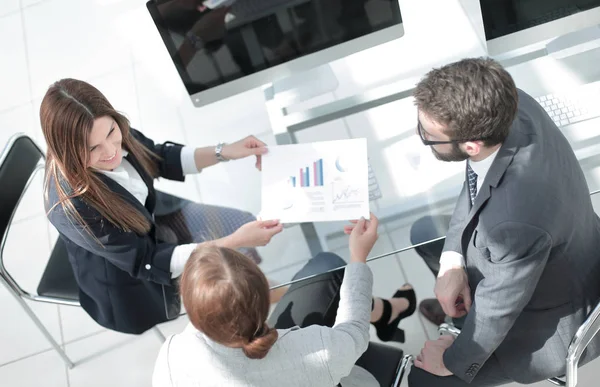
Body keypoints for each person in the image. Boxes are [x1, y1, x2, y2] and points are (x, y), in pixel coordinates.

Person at [407, 57, 600, 386]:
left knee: (425, 380)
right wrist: (451, 263)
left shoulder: (512, 224)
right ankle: (461, 314)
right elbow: (477, 179)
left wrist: (453, 360)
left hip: (546, 323)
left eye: (428, 135)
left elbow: (498, 309)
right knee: (426, 233)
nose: (422, 135)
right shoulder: (508, 102)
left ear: (471, 144)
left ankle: (462, 330)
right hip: (554, 255)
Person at [41, 78, 283, 335]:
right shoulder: (74, 208)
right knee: (225, 282)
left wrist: (226, 151)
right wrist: (232, 241)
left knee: (240, 227)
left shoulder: (110, 130)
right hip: (132, 276)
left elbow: (159, 158)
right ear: (68, 151)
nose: (112, 150)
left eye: (112, 133)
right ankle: (261, 297)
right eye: (93, 148)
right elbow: (148, 260)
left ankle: (263, 291)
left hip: (154, 220)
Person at [152, 214, 417, 387]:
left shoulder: (172, 356)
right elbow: (353, 335)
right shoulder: (313, 352)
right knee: (329, 267)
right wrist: (358, 258)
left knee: (326, 268)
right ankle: (389, 313)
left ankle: (387, 314)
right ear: (264, 298)